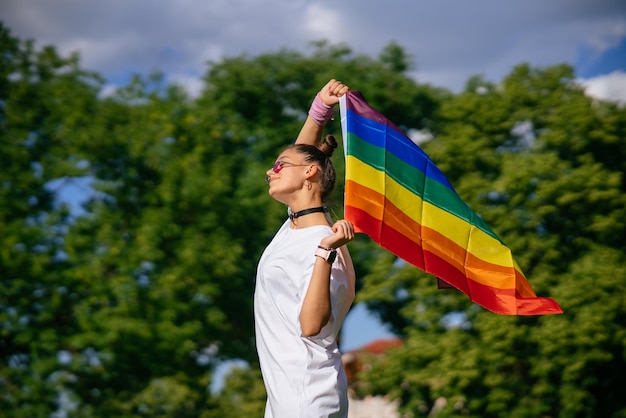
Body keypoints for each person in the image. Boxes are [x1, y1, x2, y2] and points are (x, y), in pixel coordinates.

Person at [254, 79, 356, 418]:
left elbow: (312, 327)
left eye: (278, 166)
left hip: (308, 400)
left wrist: (325, 253)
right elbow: (302, 159)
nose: (270, 171)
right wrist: (320, 110)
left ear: (309, 172)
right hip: (285, 400)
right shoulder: (295, 226)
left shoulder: (324, 243)